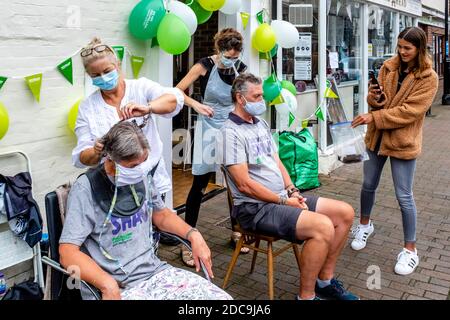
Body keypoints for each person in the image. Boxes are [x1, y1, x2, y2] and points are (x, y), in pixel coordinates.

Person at [220, 73, 358, 300]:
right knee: (322, 226)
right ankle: (306, 297)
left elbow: (276, 161)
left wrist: (292, 190)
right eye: (256, 96)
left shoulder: (260, 123)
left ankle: (324, 282)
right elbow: (244, 185)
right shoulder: (229, 133)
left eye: (262, 95)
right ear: (240, 98)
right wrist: (285, 201)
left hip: (282, 198)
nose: (262, 101)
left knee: (344, 213)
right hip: (255, 209)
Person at [60, 121, 232, 300]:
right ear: (111, 161)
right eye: (133, 166)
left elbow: (162, 215)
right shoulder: (86, 189)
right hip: (118, 287)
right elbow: (68, 252)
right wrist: (107, 283)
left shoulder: (142, 177)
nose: (140, 170)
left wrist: (193, 234)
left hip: (156, 273)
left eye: (143, 163)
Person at [72, 37, 184, 246]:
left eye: (107, 70)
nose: (103, 77)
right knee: (126, 239)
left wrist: (148, 107)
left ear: (118, 65)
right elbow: (81, 156)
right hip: (114, 187)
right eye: (95, 75)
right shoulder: (88, 108)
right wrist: (96, 150)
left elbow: (174, 101)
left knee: (151, 235)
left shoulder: (140, 88)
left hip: (149, 180)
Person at [351, 27, 438, 275]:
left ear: (420, 49)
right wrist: (374, 98)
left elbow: (409, 111)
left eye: (407, 48)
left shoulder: (428, 78)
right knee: (368, 184)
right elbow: (379, 100)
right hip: (377, 138)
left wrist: (374, 115)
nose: (402, 51)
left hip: (403, 141)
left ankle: (410, 250)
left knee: (404, 196)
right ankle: (364, 225)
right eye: (399, 46)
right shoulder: (388, 67)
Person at [176, 28, 249, 267]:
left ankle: (238, 229)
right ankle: (188, 240)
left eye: (235, 56)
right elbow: (177, 90)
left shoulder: (241, 69)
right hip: (207, 125)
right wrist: (196, 105)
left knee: (236, 181)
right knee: (199, 183)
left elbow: (244, 99)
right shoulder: (204, 65)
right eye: (228, 56)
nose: (231, 60)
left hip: (231, 126)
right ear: (219, 50)